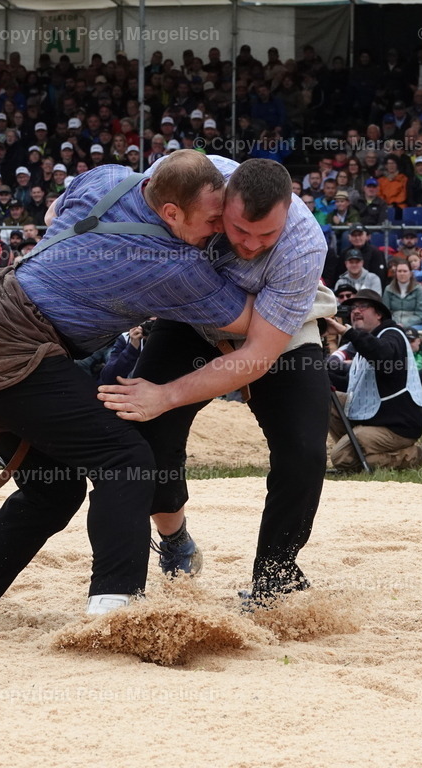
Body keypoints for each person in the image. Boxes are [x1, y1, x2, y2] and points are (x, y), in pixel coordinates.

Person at [0, 152, 299, 620]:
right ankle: (114, 607)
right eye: (211, 219)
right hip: (15, 355)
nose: (220, 230)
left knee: (52, 491)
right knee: (125, 458)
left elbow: (51, 213)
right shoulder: (174, 267)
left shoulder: (110, 178)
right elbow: (252, 322)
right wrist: (302, 292)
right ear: (171, 213)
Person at [108, 154, 333, 606]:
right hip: (191, 319)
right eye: (238, 231)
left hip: (271, 328)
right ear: (218, 200)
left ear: (288, 211)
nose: (250, 245)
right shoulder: (190, 176)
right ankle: (174, 540)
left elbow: (255, 357)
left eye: (266, 234)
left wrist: (167, 393)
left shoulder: (304, 245)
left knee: (305, 452)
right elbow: (110, 192)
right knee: (145, 433)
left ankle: (276, 577)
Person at [324, 289, 422, 470]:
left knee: (341, 459)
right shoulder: (366, 341)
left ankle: (411, 456)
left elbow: (382, 355)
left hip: (397, 425)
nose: (355, 311)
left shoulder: (392, 333)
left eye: (363, 306)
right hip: (377, 419)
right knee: (326, 397)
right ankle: (358, 450)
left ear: (379, 314)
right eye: (353, 308)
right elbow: (351, 384)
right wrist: (320, 371)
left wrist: (347, 332)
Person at [382, 257, 422, 328]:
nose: (402, 274)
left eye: (405, 271)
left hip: (414, 324)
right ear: (396, 273)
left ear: (411, 273)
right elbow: (385, 312)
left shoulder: (419, 289)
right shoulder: (388, 289)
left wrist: (404, 324)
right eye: (399, 271)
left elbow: (421, 314)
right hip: (393, 323)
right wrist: (395, 323)